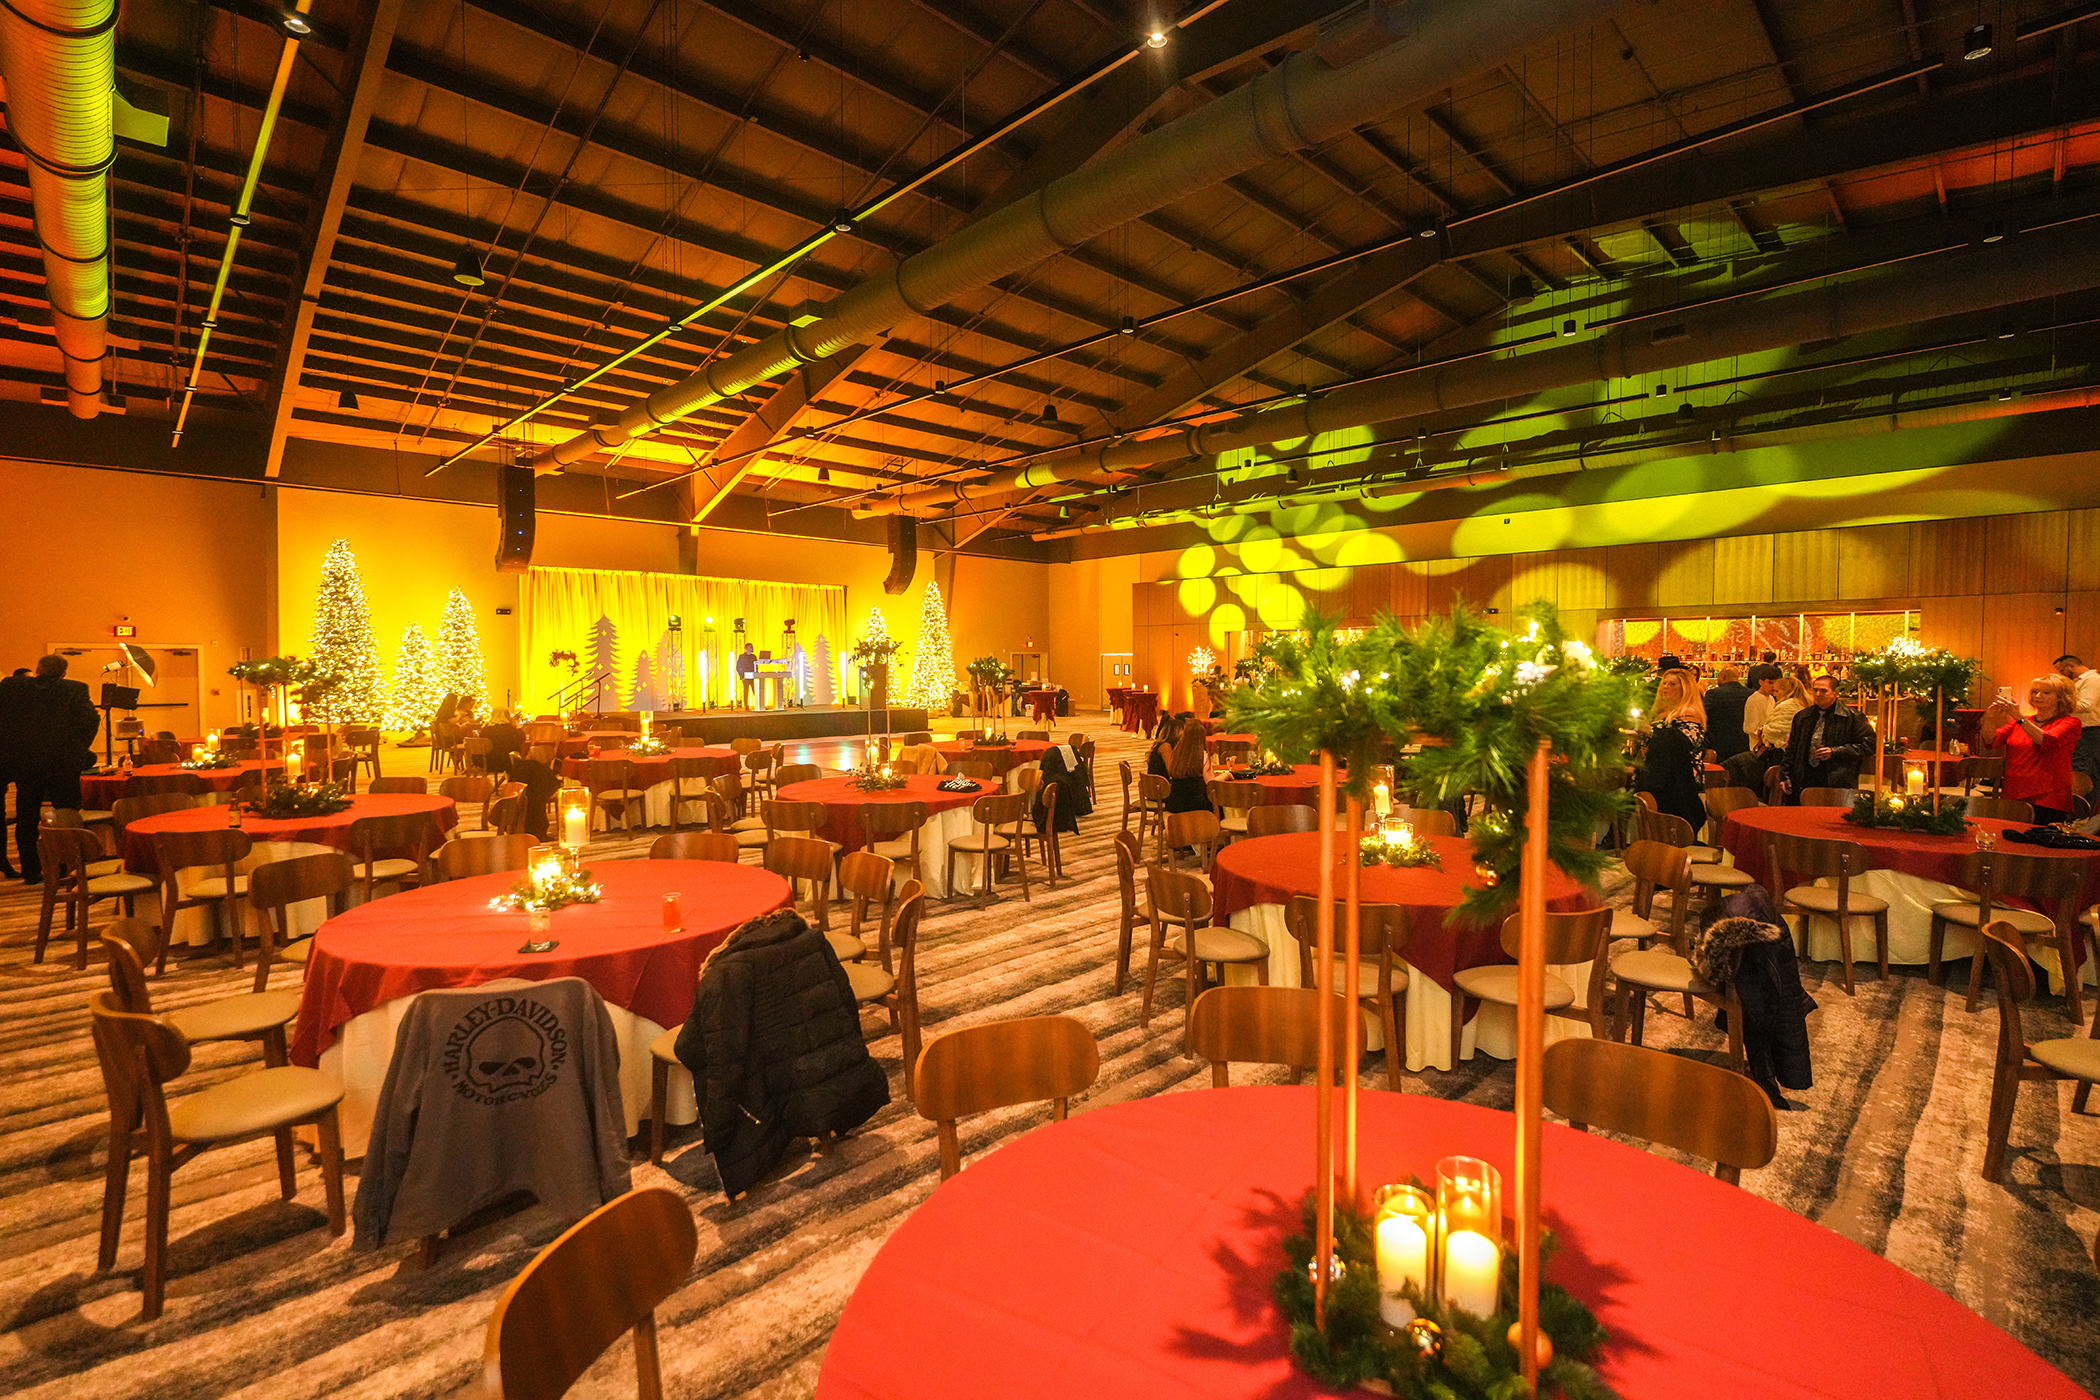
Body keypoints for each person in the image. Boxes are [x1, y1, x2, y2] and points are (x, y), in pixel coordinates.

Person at [1, 655, 100, 883]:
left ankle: (31, 871)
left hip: (25, 761)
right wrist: (78, 747)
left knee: (26, 817)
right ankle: (67, 868)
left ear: (37, 669)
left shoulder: (12, 686)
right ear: (63, 673)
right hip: (63, 762)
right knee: (67, 815)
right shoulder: (75, 689)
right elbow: (90, 720)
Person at [1985, 675, 2081, 824]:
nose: (2038, 696)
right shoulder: (2022, 722)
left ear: (2061, 698)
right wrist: (1990, 718)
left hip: (2048, 796)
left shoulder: (2070, 722)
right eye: (2035, 692)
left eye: (2046, 693)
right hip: (2014, 792)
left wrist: (2018, 716)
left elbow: (2046, 740)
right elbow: (1990, 740)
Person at [1636, 668, 1708, 834]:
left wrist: (1649, 731)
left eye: (1672, 684)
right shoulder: (1659, 714)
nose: (1665, 687)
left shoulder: (1689, 715)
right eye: (1664, 683)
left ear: (1685, 689)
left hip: (1679, 780)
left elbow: (1683, 744)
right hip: (1657, 773)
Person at [1780, 675, 1873, 802]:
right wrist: (1785, 775)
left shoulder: (1852, 717)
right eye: (1815, 690)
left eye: (1823, 691)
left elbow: (1869, 745)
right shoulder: (1802, 717)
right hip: (1804, 777)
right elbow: (1792, 748)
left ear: (1836, 693)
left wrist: (1835, 752)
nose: (1818, 694)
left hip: (1836, 779)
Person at [1724, 673, 1806, 792]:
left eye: (1777, 691)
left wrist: (1764, 729)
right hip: (1786, 755)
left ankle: (1738, 798)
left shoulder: (1787, 706)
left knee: (1731, 767)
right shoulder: (1800, 704)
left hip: (1778, 755)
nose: (1775, 694)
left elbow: (1775, 732)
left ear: (1786, 691)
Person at [2054, 654, 2100, 790]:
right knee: (2087, 769)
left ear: (2071, 666)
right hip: (2080, 729)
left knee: (2081, 769)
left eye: (2061, 670)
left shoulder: (2092, 680)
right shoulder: (2077, 681)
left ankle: (2081, 806)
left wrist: (2059, 704)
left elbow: (2086, 705)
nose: (2061, 674)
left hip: (2089, 730)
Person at [1162, 716, 1214, 815]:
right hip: (1194, 805)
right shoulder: (1202, 755)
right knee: (1220, 804)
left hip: (1174, 803)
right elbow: (1211, 784)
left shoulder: (1176, 752)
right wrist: (1226, 775)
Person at [1703, 664, 1750, 760]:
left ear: (1722, 677)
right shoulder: (1750, 693)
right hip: (1744, 743)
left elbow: (1703, 713)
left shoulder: (1714, 694)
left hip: (1720, 743)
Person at [1741, 663, 1782, 750]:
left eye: (1776, 683)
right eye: (1770, 683)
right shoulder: (1754, 699)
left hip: (1770, 745)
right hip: (1758, 747)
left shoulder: (1771, 698)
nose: (1773, 686)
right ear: (1760, 682)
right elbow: (1749, 728)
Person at [736, 643, 758, 708]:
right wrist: (741, 676)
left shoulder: (754, 657)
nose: (752, 648)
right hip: (745, 676)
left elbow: (756, 666)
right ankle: (746, 706)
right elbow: (738, 667)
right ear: (746, 648)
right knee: (746, 691)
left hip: (753, 676)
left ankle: (758, 705)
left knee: (756, 691)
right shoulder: (742, 657)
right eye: (750, 647)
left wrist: (756, 674)